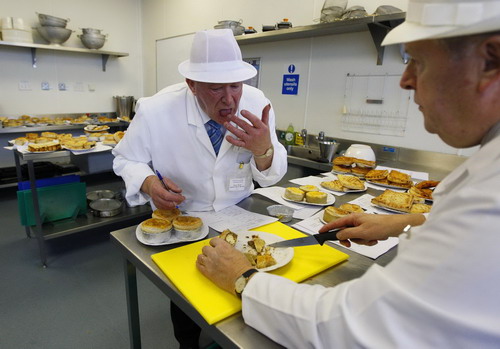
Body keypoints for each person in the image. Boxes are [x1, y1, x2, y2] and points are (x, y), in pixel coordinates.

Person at [196, 0, 500, 347]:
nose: (405, 80)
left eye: (418, 60)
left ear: (490, 61)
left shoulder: (490, 199)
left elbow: (353, 325)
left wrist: (241, 276)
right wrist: (403, 222)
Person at [112, 29, 287, 348]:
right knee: (186, 298)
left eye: (235, 85)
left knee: (244, 292)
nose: (230, 98)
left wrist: (264, 150)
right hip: (185, 219)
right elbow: (126, 158)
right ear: (192, 85)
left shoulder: (257, 102)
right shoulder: (156, 109)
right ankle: (188, 343)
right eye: (216, 88)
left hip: (240, 215)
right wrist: (150, 184)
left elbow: (271, 176)